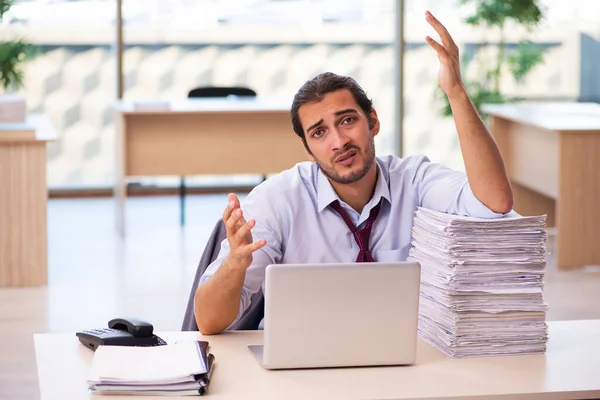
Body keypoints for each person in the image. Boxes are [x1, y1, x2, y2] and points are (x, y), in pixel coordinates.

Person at [194, 10, 513, 335]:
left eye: (348, 120)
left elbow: (495, 201)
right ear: (307, 150)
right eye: (319, 133)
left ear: (372, 121)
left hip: (401, 356)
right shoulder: (277, 200)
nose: (339, 141)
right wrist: (235, 263)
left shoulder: (414, 179)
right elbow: (208, 322)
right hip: (301, 363)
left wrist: (456, 91)